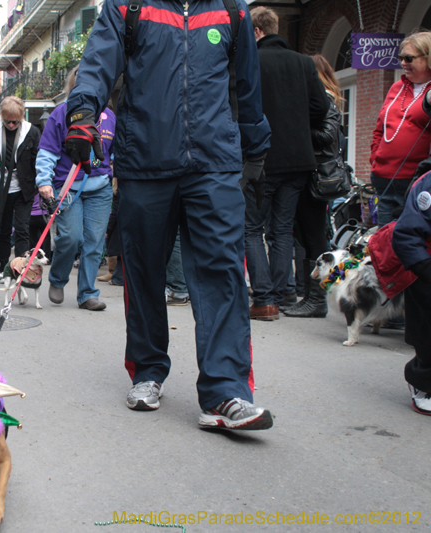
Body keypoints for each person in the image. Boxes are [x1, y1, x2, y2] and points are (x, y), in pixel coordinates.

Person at [66, 0, 274, 429]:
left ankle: (226, 390)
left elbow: (248, 85)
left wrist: (254, 146)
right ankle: (147, 370)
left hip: (214, 164)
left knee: (222, 272)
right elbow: (97, 63)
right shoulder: (128, 6)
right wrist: (83, 113)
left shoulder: (231, 11)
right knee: (142, 273)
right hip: (145, 160)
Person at [245, 7, 329, 321]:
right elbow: (320, 109)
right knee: (281, 230)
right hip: (298, 161)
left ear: (255, 31)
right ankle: (280, 296)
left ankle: (264, 299)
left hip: (261, 158)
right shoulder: (304, 63)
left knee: (252, 228)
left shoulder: (251, 61)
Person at [37, 67, 115, 311]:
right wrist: (44, 181)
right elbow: (47, 151)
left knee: (94, 242)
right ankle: (58, 279)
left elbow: (117, 151)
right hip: (67, 187)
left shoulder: (110, 116)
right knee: (71, 237)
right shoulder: (61, 114)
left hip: (100, 188)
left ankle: (87, 294)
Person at [283, 55, 343, 318]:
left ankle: (317, 299)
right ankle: (311, 297)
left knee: (316, 237)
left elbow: (327, 136)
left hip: (319, 176)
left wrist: (297, 129)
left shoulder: (325, 100)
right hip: (310, 173)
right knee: (308, 237)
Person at [371, 32, 431, 227]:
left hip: (415, 182)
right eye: (400, 58)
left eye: (409, 58)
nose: (403, 63)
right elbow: (380, 128)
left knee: (411, 241)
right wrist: (375, 158)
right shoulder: (397, 87)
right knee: (384, 241)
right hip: (383, 178)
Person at [391, 169, 431, 415]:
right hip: (426, 267)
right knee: (427, 333)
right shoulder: (427, 183)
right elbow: (406, 234)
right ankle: (422, 381)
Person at [0, 96, 40, 276]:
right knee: (3, 228)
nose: (11, 125)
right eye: (8, 121)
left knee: (23, 228)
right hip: (1, 187)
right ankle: (4, 266)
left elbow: (37, 159)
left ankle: (20, 269)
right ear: (2, 116)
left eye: (15, 122)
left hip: (24, 187)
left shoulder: (31, 131)